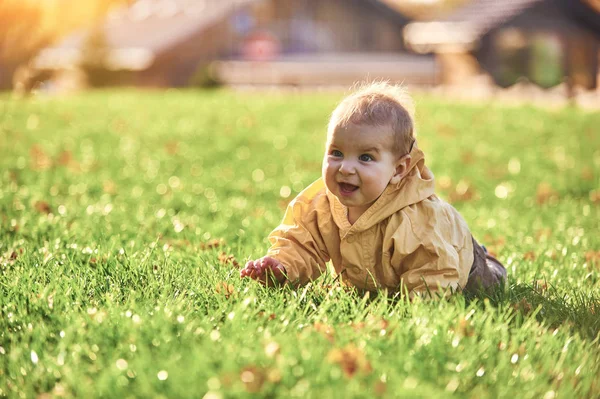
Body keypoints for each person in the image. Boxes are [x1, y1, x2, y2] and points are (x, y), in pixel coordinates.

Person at [240, 82, 506, 297]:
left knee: (487, 285)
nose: (345, 168)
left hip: (461, 264)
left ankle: (488, 259)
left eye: (365, 158)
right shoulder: (320, 205)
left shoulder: (416, 220)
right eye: (336, 153)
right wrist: (281, 266)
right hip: (385, 280)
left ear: (398, 170)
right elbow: (301, 243)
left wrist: (419, 308)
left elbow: (433, 269)